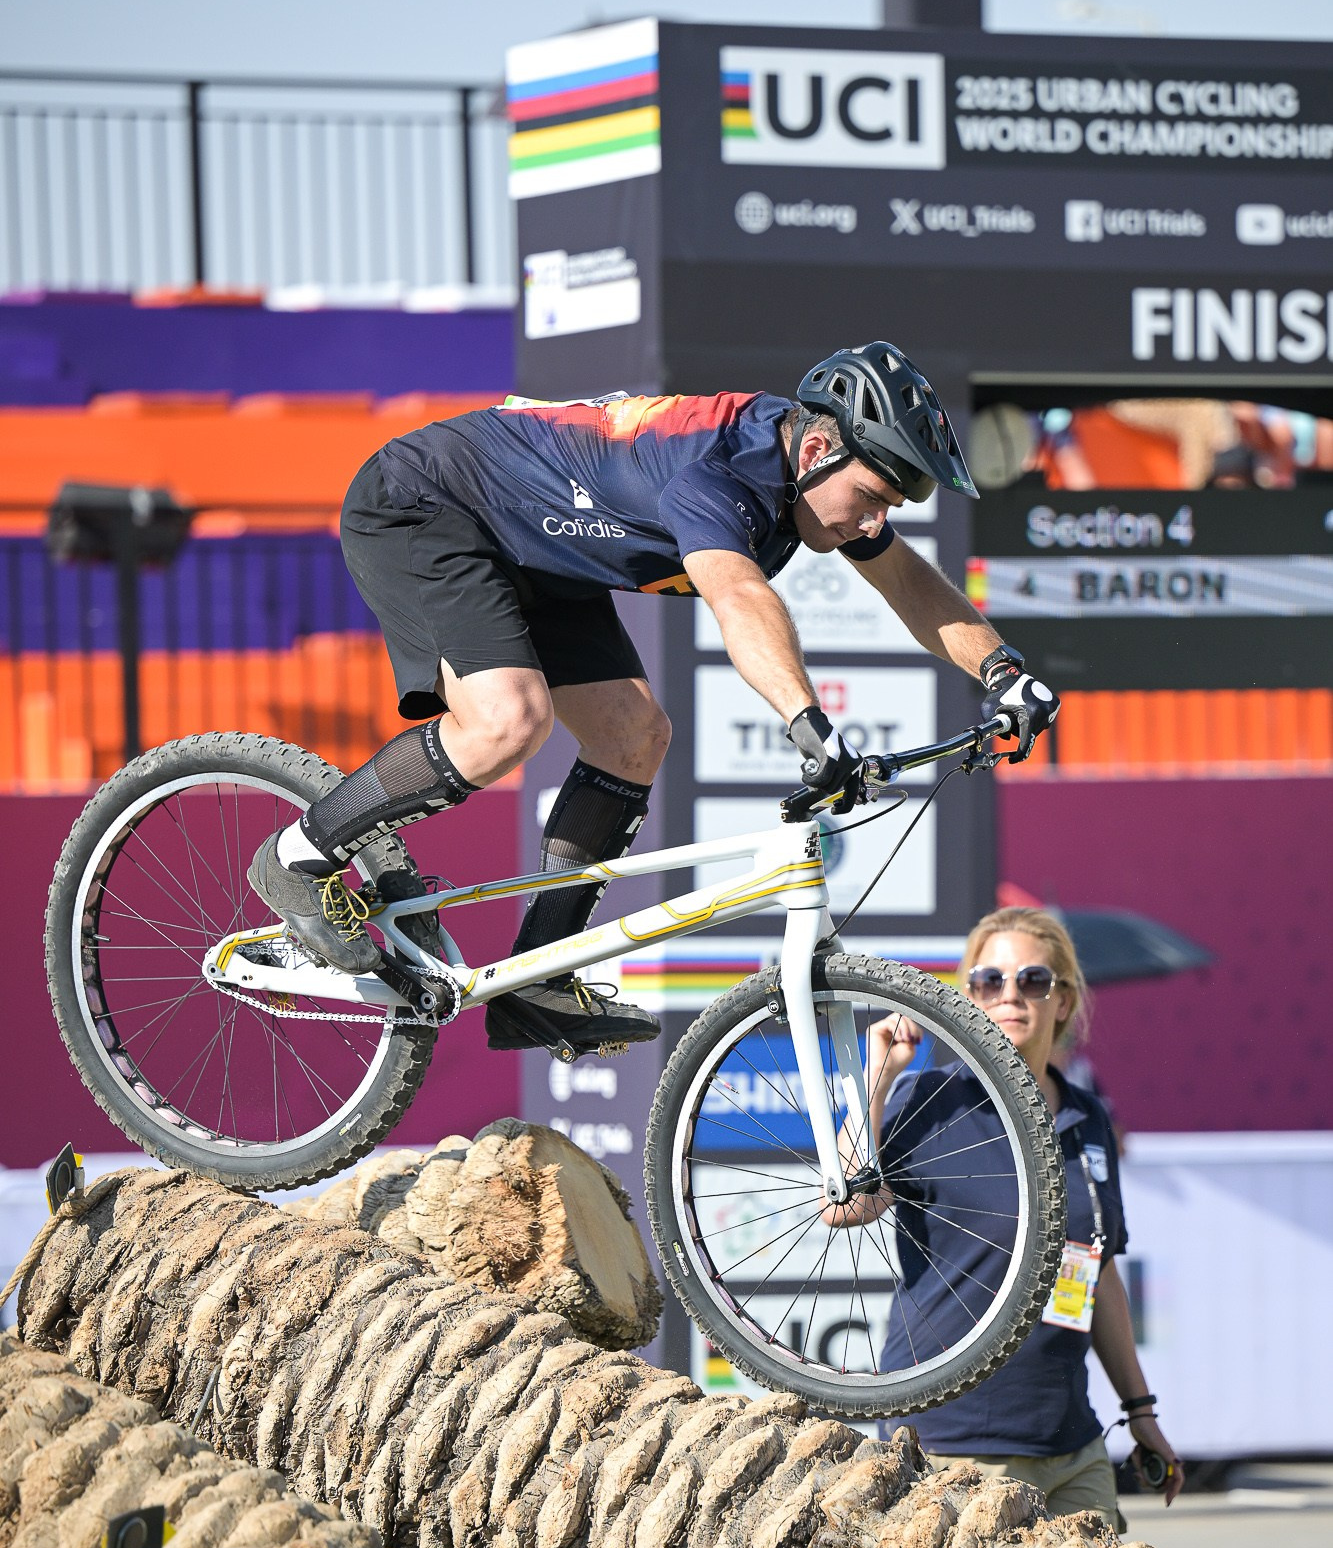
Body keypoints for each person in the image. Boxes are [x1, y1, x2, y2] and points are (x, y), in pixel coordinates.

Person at [245, 344, 1059, 1055]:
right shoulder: (720, 474)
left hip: (537, 547)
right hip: (429, 503)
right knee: (506, 722)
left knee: (633, 736)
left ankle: (538, 978)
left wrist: (1003, 673)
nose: (876, 521)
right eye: (874, 499)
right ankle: (299, 858)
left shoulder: (810, 471)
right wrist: (806, 722)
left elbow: (910, 583)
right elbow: (738, 597)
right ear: (817, 446)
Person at [827, 905, 1182, 1533]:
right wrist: (879, 1073)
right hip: (954, 1446)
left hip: (1072, 1448)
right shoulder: (929, 1098)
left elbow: (1097, 1277)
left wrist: (1141, 1411)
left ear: (1064, 1001)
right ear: (968, 996)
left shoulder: (1088, 1117)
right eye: (991, 981)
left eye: (1033, 981)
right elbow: (845, 1207)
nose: (1011, 995)